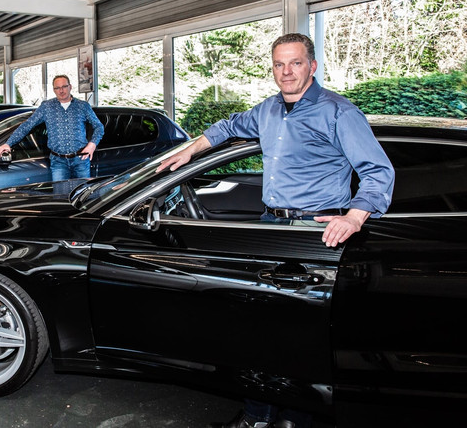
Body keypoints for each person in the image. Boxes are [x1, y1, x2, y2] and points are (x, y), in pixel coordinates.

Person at [158, 33, 395, 428]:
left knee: (301, 334)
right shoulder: (267, 110)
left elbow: (377, 171)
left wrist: (354, 217)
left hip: (312, 231)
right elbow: (228, 126)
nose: (286, 72)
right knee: (262, 329)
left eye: (295, 63)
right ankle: (260, 416)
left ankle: (293, 419)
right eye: (279, 64)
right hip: (272, 224)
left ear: (312, 66)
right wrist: (190, 150)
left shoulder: (339, 112)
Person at [0, 75, 104, 181]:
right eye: (57, 88)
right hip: (58, 161)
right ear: (54, 90)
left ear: (70, 87)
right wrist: (8, 143)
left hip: (81, 159)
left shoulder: (83, 106)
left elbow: (99, 126)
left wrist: (92, 145)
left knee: (83, 192)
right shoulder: (47, 107)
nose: (61, 90)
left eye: (64, 86)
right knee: (60, 193)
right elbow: (27, 125)